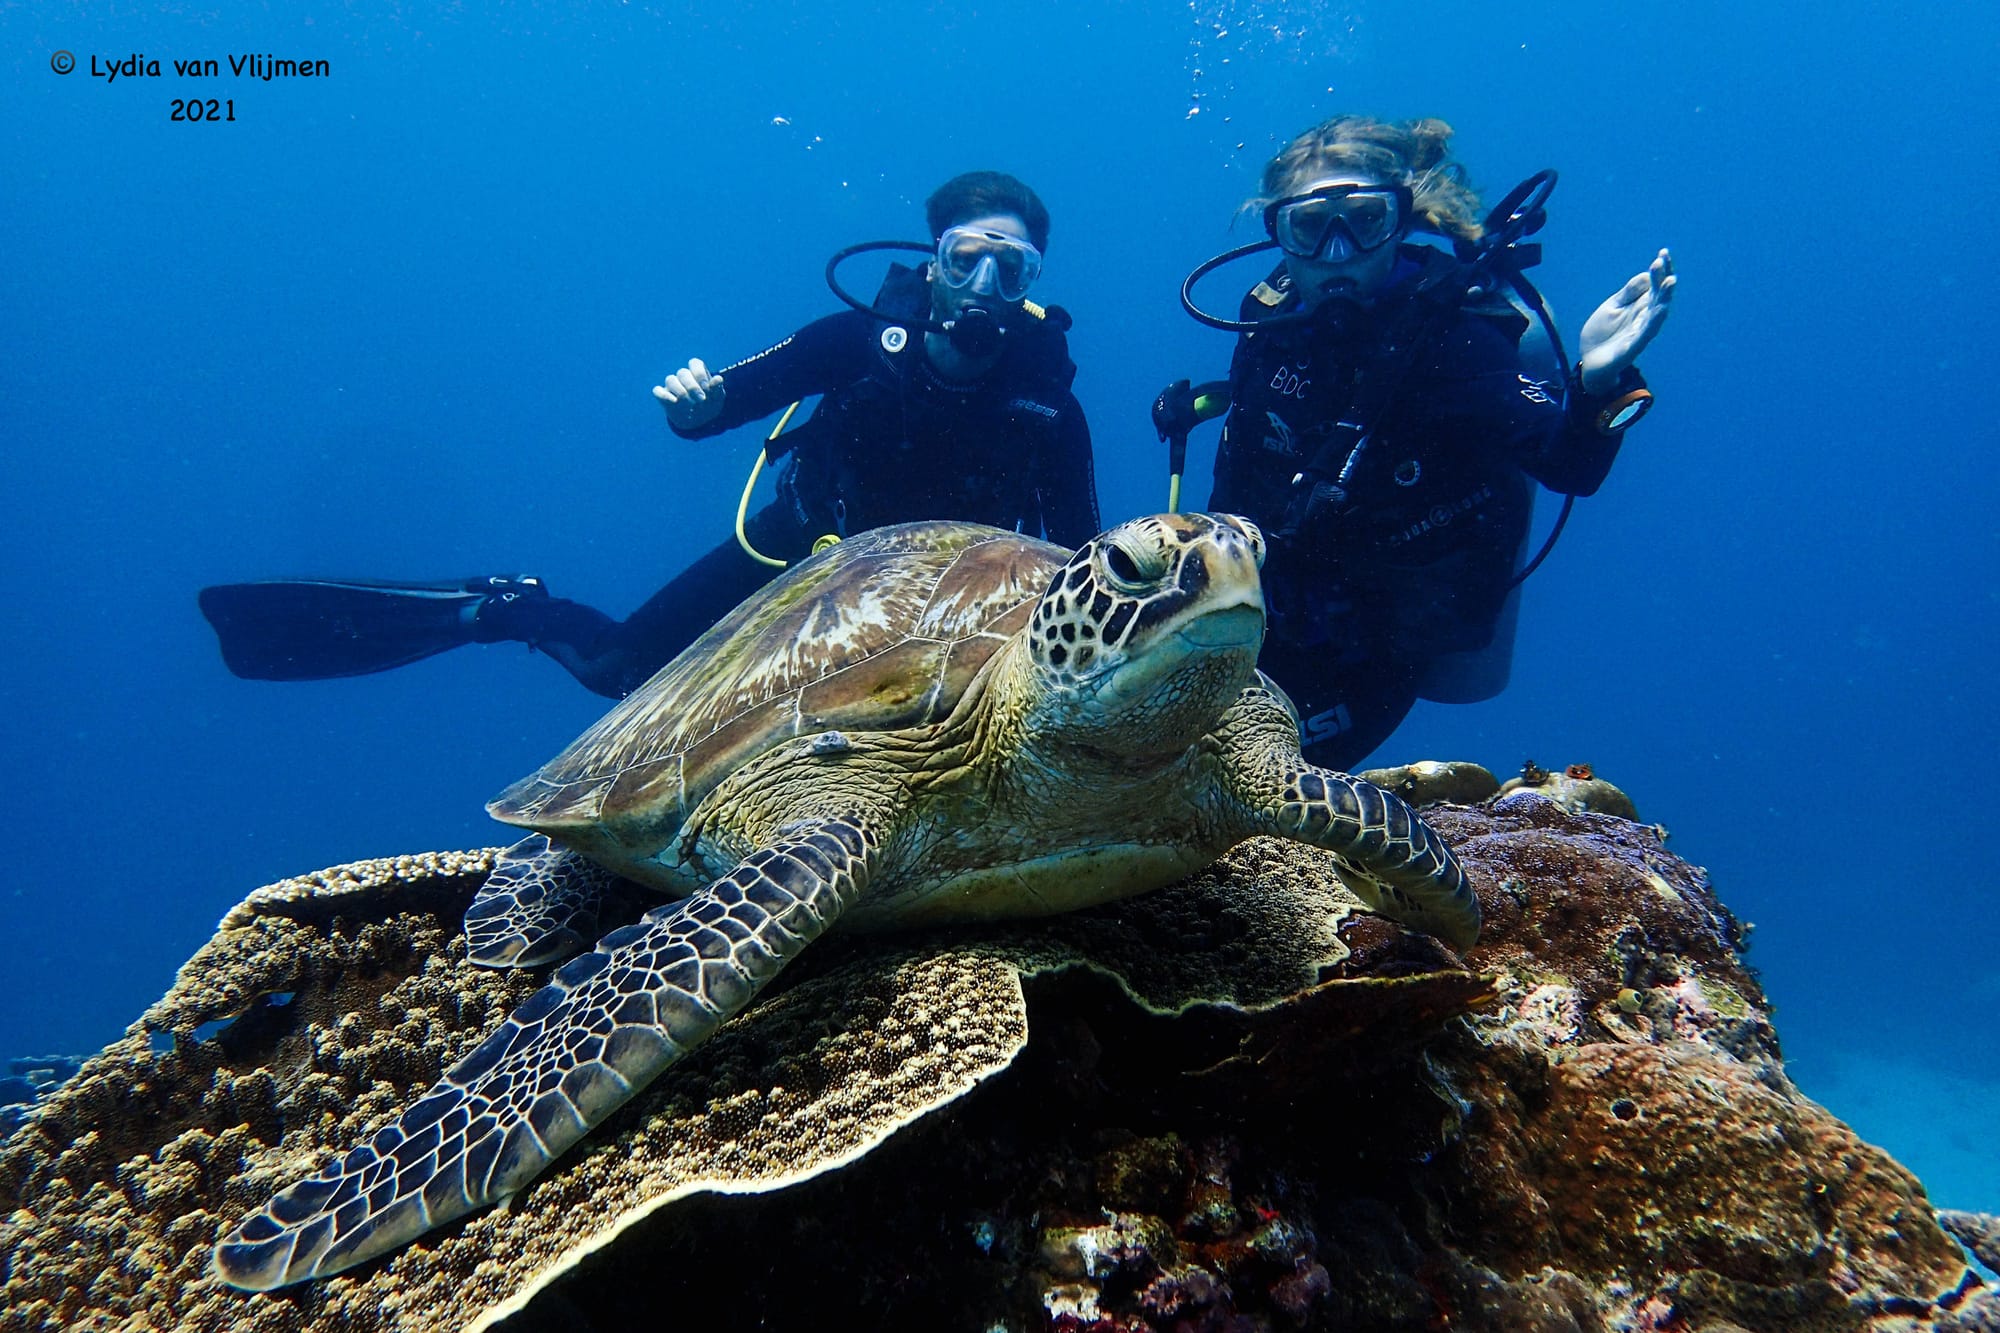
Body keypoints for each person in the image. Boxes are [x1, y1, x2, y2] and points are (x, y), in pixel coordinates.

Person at [200, 172, 1100, 699]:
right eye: (964, 257)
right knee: (615, 665)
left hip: (957, 609)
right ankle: (502, 607)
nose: (983, 280)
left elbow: (1083, 556)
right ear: (932, 263)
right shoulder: (856, 342)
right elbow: (722, 405)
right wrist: (693, 404)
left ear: (1030, 284)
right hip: (804, 552)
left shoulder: (1050, 407)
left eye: (1008, 265)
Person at [1156, 115, 1674, 769]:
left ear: (1401, 221)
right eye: (1311, 227)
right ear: (1277, 232)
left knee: (1247, 775)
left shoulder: (1454, 339)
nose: (1338, 251)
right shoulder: (1268, 316)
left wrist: (1599, 383)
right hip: (1261, 609)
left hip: (1379, 644)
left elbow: (1568, 463)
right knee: (1155, 753)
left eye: (1365, 221)